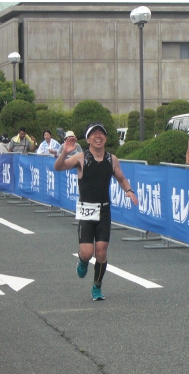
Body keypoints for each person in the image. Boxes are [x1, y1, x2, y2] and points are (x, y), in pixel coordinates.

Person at [54, 122, 138, 301]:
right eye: (94, 134)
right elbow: (58, 167)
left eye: (101, 133)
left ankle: (97, 287)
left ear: (105, 138)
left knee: (101, 250)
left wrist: (129, 191)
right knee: (87, 252)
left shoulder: (111, 159)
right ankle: (83, 261)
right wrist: (64, 152)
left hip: (104, 210)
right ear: (88, 139)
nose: (98, 137)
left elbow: (121, 179)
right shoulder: (80, 158)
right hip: (86, 210)